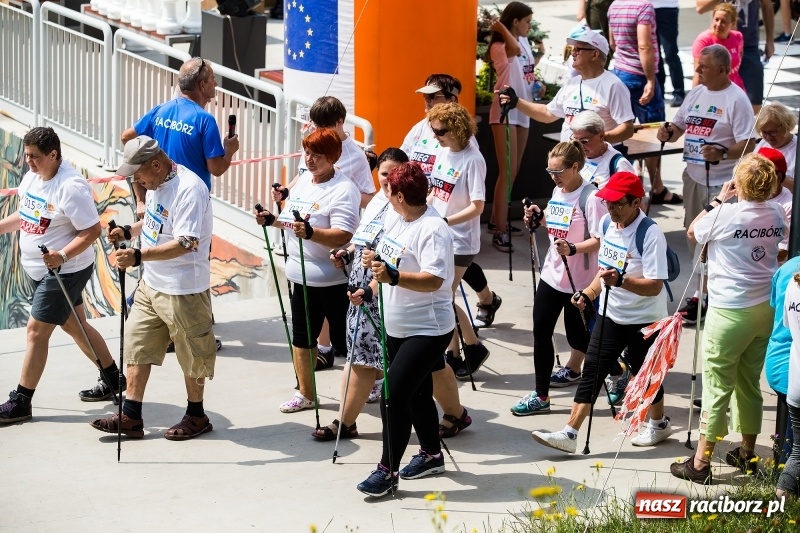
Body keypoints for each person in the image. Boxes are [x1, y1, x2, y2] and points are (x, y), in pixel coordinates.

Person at [531, 171, 673, 453]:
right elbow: (604, 270)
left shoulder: (650, 233)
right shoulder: (608, 223)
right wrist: (589, 293)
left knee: (644, 376)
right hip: (611, 315)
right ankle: (570, 433)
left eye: (618, 203)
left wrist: (621, 282)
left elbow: (655, 286)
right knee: (591, 372)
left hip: (644, 320)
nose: (611, 208)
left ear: (636, 202)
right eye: (608, 202)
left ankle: (658, 424)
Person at [89, 136, 217, 440]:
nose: (137, 181)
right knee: (137, 344)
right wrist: (128, 231)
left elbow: (186, 243)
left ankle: (197, 415)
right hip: (151, 284)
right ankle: (131, 416)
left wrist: (138, 256)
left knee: (192, 353)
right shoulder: (158, 183)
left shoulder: (189, 189)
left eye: (138, 174)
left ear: (156, 165)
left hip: (183, 289)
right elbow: (155, 223)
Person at [671, 153, 786, 484]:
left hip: (729, 311)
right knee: (749, 382)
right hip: (764, 307)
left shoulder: (727, 214)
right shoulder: (776, 211)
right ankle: (747, 453)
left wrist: (721, 197)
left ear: (740, 183)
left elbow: (693, 231)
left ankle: (700, 463)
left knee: (717, 385)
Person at [0, 127, 122, 423]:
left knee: (35, 331)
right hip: (40, 269)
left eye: (35, 156)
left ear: (53, 154)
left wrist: (62, 256)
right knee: (75, 326)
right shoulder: (32, 177)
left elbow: (92, 230)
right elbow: (26, 215)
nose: (28, 161)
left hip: (64, 270)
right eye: (26, 155)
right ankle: (113, 379)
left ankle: (21, 402)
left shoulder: (71, 187)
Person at [356, 162, 455, 497]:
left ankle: (387, 471)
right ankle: (431, 455)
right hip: (397, 325)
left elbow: (434, 279)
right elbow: (388, 265)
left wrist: (393, 276)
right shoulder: (396, 218)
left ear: (400, 195)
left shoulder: (433, 228)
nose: (385, 192)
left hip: (428, 328)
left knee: (393, 396)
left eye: (389, 189)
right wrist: (370, 285)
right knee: (416, 393)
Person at [256, 128, 360, 413]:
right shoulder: (303, 181)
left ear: (333, 157)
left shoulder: (344, 189)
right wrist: (272, 220)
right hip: (300, 277)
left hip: (335, 281)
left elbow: (344, 234)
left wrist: (312, 233)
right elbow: (292, 222)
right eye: (307, 153)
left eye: (317, 155)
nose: (310, 159)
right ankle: (305, 394)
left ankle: (372, 382)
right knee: (302, 339)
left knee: (347, 343)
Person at [311, 148, 406, 441]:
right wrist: (347, 252)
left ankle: (455, 413)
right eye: (383, 174)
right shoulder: (378, 200)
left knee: (428, 367)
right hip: (360, 291)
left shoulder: (405, 207)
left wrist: (371, 289)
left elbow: (395, 258)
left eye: (394, 174)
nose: (388, 180)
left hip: (384, 294)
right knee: (358, 357)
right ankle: (346, 422)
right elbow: (362, 240)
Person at [656, 44, 754, 325]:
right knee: (694, 234)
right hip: (693, 177)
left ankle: (714, 296)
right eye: (698, 64)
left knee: (719, 239)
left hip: (723, 183)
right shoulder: (697, 93)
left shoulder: (737, 99)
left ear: (722, 70)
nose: (697, 69)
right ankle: (700, 295)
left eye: (704, 66)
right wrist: (668, 131)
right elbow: (678, 128)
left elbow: (749, 143)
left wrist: (722, 152)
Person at [510, 141, 607, 415]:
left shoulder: (592, 198)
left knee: (580, 340)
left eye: (558, 172)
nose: (553, 177)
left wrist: (574, 248)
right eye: (550, 171)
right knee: (541, 331)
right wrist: (539, 218)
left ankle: (616, 370)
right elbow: (557, 226)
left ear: (575, 167)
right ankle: (541, 395)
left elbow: (601, 239)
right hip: (552, 276)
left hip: (580, 281)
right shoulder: (557, 191)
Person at [401, 73, 502, 329]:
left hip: (456, 231)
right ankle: (486, 303)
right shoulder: (430, 136)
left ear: (452, 101)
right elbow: (408, 162)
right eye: (425, 96)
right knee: (448, 284)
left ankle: (464, 343)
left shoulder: (468, 151)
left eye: (433, 96)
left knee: (444, 291)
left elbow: (476, 203)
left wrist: (445, 220)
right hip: (433, 220)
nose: (426, 101)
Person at [121, 57, 240, 212]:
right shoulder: (205, 120)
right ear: (202, 85)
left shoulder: (160, 110)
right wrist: (229, 150)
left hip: (159, 198)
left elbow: (126, 137)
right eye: (213, 79)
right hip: (189, 201)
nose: (216, 83)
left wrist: (141, 193)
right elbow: (217, 169)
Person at [427, 103, 491, 384]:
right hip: (440, 235)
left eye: (440, 131)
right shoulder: (443, 152)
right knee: (443, 298)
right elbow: (437, 193)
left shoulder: (473, 159)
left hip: (461, 241)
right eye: (433, 129)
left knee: (442, 297)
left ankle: (473, 346)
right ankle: (453, 353)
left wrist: (446, 221)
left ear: (456, 129)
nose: (435, 136)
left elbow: (478, 206)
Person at [499, 27, 635, 147]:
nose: (572, 53)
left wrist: (598, 140)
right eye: (572, 49)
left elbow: (627, 128)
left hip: (600, 162)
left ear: (595, 54)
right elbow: (548, 114)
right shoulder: (572, 83)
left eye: (578, 49)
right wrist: (516, 101)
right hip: (571, 161)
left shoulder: (613, 86)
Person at [607, 0, 681, 205]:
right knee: (654, 132)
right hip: (639, 74)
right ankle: (657, 187)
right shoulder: (643, 7)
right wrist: (650, 79)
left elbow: (613, 43)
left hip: (620, 72)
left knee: (625, 129)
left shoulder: (615, 5)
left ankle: (627, 181)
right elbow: (644, 45)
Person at [486, 1, 536, 252]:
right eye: (526, 21)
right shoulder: (499, 46)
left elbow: (528, 70)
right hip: (505, 112)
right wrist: (501, 29)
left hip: (523, 109)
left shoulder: (524, 41)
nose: (530, 26)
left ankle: (497, 219)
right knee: (506, 173)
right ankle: (499, 231)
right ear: (515, 21)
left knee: (513, 171)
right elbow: (513, 49)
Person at [696, 0, 774, 113]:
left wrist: (770, 40)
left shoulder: (739, 37)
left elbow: (767, 5)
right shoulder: (704, 40)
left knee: (754, 102)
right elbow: (700, 8)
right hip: (719, 46)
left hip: (749, 45)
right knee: (717, 102)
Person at [766, 255, 800, 472]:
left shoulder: (788, 268)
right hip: (791, 368)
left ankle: (781, 478)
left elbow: (777, 309)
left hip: (777, 362)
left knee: (793, 442)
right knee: (795, 449)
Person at [777, 266, 800, 499]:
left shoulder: (794, 283)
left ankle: (782, 501)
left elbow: (788, 324)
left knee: (798, 451)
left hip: (796, 384)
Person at [570, 110, 635, 190]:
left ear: (601, 136)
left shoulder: (618, 164)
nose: (579, 146)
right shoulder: (574, 158)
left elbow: (633, 196)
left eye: (584, 141)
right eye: (575, 140)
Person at [691, 3, 745, 90]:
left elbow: (739, 61)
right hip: (713, 91)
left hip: (735, 89)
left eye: (723, 21)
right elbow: (698, 74)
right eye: (716, 20)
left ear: (732, 23)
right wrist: (694, 95)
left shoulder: (738, 37)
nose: (718, 24)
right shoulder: (703, 41)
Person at [756, 147, 792, 259]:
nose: (753, 178)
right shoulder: (747, 194)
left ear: (778, 177)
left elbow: (782, 253)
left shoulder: (788, 204)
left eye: (761, 174)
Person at [755, 102, 797, 189]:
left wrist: (779, 175)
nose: (768, 137)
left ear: (786, 126)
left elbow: (797, 189)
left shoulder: (796, 150)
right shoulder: (763, 142)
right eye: (764, 132)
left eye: (773, 131)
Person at [654, 0, 686, 107]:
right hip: (647, 7)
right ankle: (659, 91)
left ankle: (679, 93)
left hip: (667, 7)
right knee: (654, 55)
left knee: (670, 53)